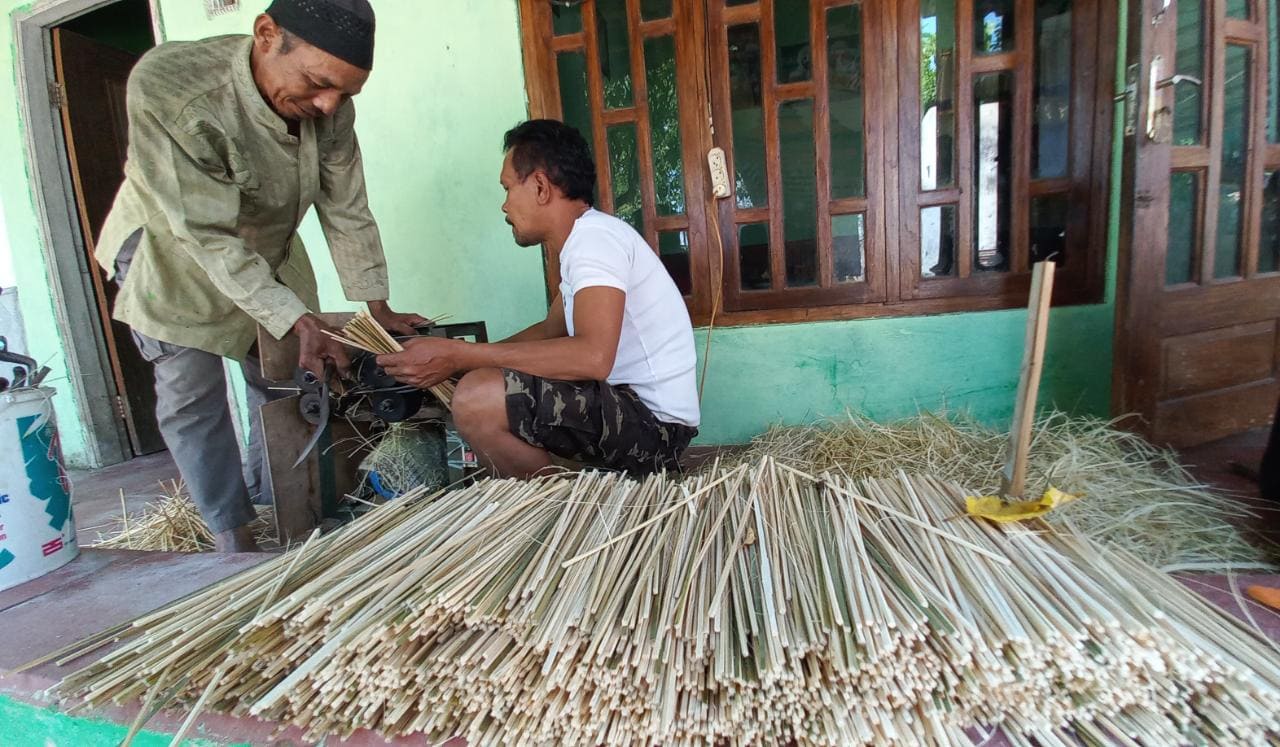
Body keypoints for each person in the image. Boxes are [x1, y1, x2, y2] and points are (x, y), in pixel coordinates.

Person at [96, 0, 425, 552]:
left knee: (288, 377)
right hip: (173, 243)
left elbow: (345, 202)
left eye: (345, 94)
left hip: (268, 241)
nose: (328, 105)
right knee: (189, 389)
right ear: (267, 35)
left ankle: (285, 507)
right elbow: (203, 232)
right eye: (319, 84)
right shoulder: (172, 87)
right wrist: (293, 314)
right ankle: (234, 538)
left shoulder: (330, 102)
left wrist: (377, 305)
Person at [378, 119, 699, 477]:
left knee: (476, 399)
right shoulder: (587, 241)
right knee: (481, 381)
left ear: (541, 187)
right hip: (634, 414)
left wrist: (460, 357)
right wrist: (465, 362)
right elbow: (551, 330)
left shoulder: (594, 242)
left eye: (507, 188)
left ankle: (557, 514)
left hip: (653, 429)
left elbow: (593, 357)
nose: (504, 206)